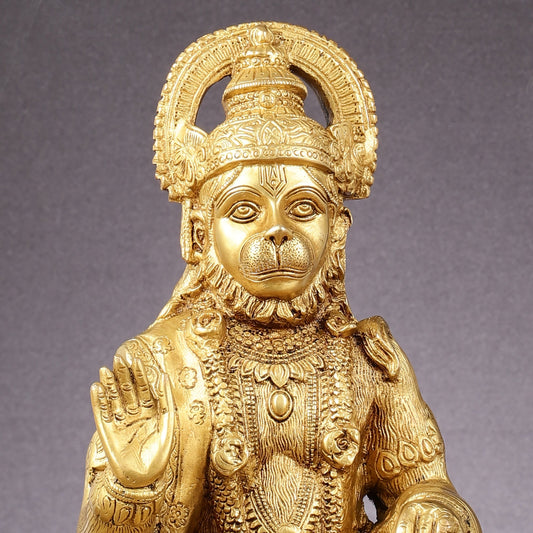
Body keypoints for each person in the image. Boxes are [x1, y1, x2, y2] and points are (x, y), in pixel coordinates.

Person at [77, 22, 481, 533]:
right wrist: (133, 490)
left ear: (338, 230)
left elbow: (424, 482)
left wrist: (431, 509)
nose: (276, 231)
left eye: (303, 208)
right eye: (245, 211)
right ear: (200, 234)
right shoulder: (162, 366)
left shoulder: (369, 363)